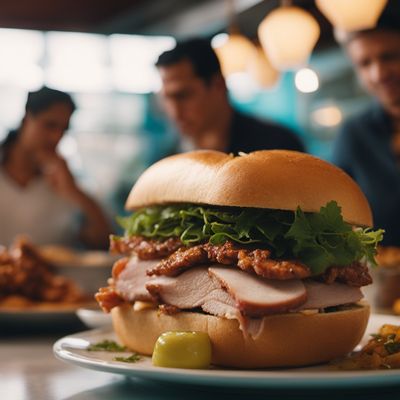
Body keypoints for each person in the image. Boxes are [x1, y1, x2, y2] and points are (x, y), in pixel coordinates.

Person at [0, 86, 111, 249]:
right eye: (49, 125)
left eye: (63, 129)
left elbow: (103, 241)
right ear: (26, 119)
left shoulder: (64, 179)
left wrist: (74, 192)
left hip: (59, 273)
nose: (57, 136)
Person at [155, 38, 304, 154]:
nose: (175, 112)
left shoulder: (277, 146)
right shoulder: (169, 157)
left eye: (183, 95)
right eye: (167, 98)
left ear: (218, 85)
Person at [331, 0, 400, 246]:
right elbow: (333, 215)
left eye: (389, 56)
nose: (379, 73)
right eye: (365, 63)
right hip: (386, 278)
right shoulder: (354, 134)